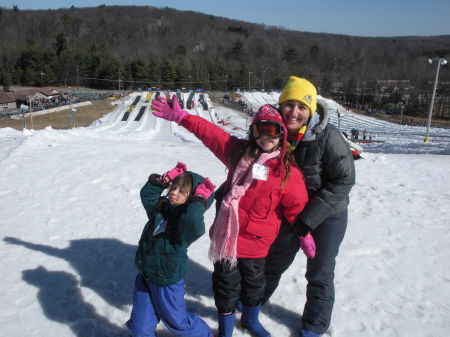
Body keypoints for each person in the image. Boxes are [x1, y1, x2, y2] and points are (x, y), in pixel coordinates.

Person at [151, 100, 310, 337]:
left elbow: (297, 206)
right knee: (225, 287)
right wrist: (182, 117)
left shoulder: (286, 172)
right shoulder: (238, 154)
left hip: (257, 243)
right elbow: (211, 134)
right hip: (227, 241)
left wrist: (305, 233)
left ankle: (250, 320)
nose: (266, 135)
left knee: (255, 286)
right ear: (253, 131)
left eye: (274, 130)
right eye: (260, 129)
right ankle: (226, 330)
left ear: (282, 134)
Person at [262, 76, 356, 337]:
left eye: (302, 107)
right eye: (289, 104)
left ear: (311, 110)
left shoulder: (327, 136)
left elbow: (344, 179)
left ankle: (314, 325)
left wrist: (310, 218)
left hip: (328, 215)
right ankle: (255, 300)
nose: (294, 112)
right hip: (291, 213)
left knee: (320, 269)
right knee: (274, 260)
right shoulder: (273, 131)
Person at [126, 162, 216, 337]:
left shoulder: (184, 225)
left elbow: (192, 221)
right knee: (139, 327)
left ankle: (204, 334)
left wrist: (199, 202)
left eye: (182, 191)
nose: (174, 192)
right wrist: (163, 180)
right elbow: (147, 195)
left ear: (191, 199)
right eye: (173, 187)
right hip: (145, 276)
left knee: (177, 322)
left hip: (167, 282)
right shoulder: (160, 210)